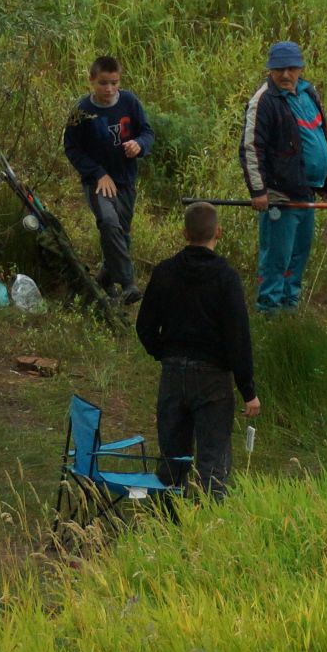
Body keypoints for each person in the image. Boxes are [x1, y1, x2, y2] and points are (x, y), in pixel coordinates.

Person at [134, 202, 259, 497]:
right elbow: (238, 338)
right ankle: (209, 528)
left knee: (172, 459)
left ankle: (167, 520)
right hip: (214, 379)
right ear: (219, 232)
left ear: (184, 233)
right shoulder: (226, 277)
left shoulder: (165, 272)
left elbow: (144, 327)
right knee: (213, 463)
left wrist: (164, 353)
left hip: (173, 373)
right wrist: (248, 390)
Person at [239, 41, 327, 314]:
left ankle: (290, 309)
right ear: (270, 69)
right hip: (280, 196)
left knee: (299, 256)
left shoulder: (308, 93)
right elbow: (250, 148)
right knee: (276, 259)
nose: (285, 75)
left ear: (300, 68)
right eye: (279, 69)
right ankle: (269, 311)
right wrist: (258, 191)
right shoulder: (264, 100)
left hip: (308, 191)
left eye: (291, 68)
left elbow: (321, 138)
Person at [61, 55, 155, 305]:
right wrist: (97, 173)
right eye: (103, 83)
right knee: (110, 223)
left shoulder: (129, 102)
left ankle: (103, 279)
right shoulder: (83, 111)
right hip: (99, 183)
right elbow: (71, 148)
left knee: (121, 235)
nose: (109, 89)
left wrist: (139, 145)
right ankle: (128, 284)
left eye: (114, 83)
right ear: (92, 80)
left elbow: (147, 132)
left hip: (125, 181)